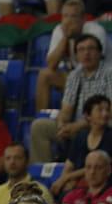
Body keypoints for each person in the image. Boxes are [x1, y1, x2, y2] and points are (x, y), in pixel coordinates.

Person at [30, 34, 112, 164]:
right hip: (75, 127)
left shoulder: (109, 73)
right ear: (76, 55)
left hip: (102, 125)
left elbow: (108, 113)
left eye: (91, 49)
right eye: (81, 49)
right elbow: (66, 109)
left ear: (99, 53)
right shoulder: (74, 75)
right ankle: (44, 172)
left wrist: (77, 126)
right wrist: (62, 125)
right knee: (39, 127)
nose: (86, 53)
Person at [34, 0, 109, 112]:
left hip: (102, 80)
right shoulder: (60, 30)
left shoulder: (95, 31)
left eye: (73, 16)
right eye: (65, 16)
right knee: (45, 75)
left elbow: (92, 66)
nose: (68, 21)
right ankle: (42, 115)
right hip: (77, 78)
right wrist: (65, 37)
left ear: (83, 19)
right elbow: (51, 65)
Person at [51, 94, 112, 198]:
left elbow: (96, 167)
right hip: (77, 181)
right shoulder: (80, 136)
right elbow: (69, 164)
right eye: (100, 110)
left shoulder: (110, 137)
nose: (105, 114)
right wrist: (61, 181)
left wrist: (67, 178)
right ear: (88, 115)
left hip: (101, 184)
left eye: (107, 110)